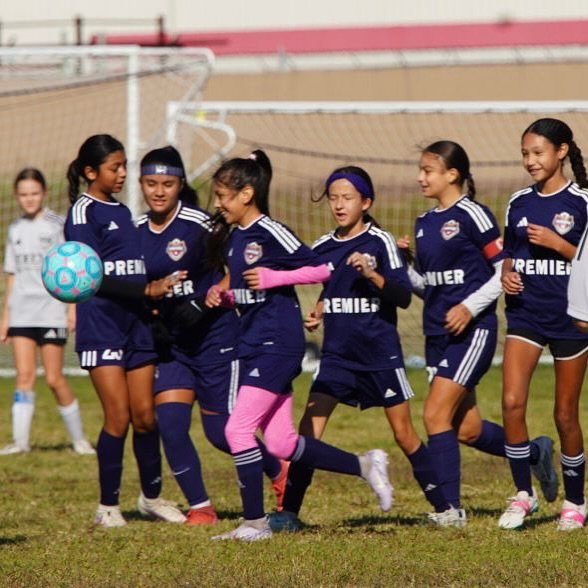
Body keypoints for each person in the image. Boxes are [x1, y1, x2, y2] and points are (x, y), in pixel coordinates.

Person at [205, 150, 393, 542]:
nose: (218, 203)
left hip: (279, 342)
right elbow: (251, 290)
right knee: (281, 442)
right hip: (254, 342)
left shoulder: (271, 230)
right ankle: (365, 465)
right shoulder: (236, 239)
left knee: (237, 430)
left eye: (223, 195)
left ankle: (255, 523)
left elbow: (322, 268)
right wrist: (226, 297)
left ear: (246, 194)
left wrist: (274, 278)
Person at [269, 165, 456, 532]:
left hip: (379, 357)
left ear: (365, 202)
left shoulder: (380, 242)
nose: (339, 205)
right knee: (309, 430)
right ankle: (289, 512)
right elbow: (328, 285)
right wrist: (320, 309)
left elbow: (402, 296)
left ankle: (446, 507)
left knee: (404, 433)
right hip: (337, 358)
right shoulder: (322, 247)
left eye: (348, 198)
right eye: (334, 198)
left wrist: (372, 274)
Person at [406, 140, 557, 526]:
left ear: (452, 174)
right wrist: (399, 269)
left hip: (472, 331)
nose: (421, 177)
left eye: (428, 170)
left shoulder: (473, 215)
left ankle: (450, 510)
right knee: (467, 430)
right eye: (421, 171)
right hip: (437, 334)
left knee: (435, 415)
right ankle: (535, 453)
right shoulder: (423, 224)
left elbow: (502, 270)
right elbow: (430, 286)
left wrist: (469, 307)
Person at [136, 146, 288, 525]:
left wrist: (208, 302)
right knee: (170, 424)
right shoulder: (136, 231)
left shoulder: (201, 224)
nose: (158, 191)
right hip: (174, 347)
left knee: (222, 434)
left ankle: (279, 469)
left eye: (167, 184)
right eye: (151, 184)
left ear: (180, 185)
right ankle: (201, 507)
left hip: (216, 340)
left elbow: (235, 267)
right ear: (141, 185)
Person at [64, 134, 186, 528]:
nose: (121, 174)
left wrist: (156, 291)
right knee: (117, 416)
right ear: (90, 171)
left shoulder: (120, 213)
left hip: (137, 325)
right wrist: (146, 288)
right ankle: (108, 507)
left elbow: (129, 268)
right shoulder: (83, 214)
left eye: (123, 167)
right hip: (102, 328)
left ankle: (150, 498)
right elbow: (90, 275)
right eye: (114, 167)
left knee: (146, 417)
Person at [500, 118, 588, 531]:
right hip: (525, 313)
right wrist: (507, 275)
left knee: (565, 414)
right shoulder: (518, 202)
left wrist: (562, 246)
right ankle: (523, 494)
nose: (531, 161)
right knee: (512, 402)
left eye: (538, 153)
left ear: (562, 152)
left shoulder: (582, 202)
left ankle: (575, 502)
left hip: (571, 318)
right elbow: (510, 256)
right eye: (525, 154)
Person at [0, 167, 94, 456]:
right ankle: (20, 441)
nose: (29, 199)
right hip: (22, 313)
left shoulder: (57, 223)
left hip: (51, 311)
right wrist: (6, 316)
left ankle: (79, 440)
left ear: (43, 192)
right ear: (17, 196)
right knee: (24, 376)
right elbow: (12, 274)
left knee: (54, 378)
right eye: (24, 194)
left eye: (34, 193)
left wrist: (72, 309)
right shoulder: (15, 229)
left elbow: (75, 268)